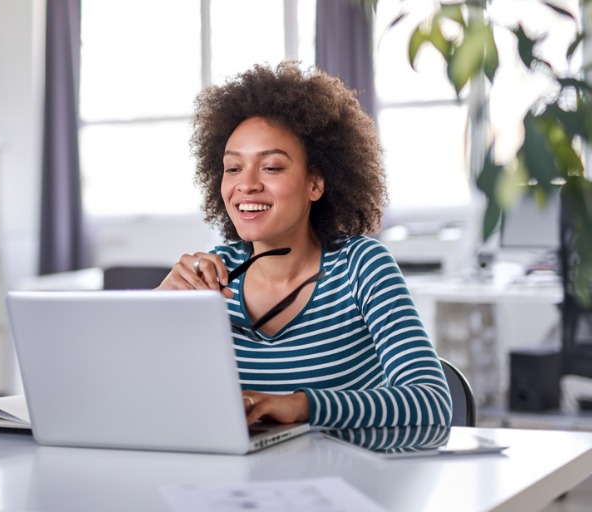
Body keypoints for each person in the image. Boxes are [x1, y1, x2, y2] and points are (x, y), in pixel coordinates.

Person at [157, 61, 451, 429]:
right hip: (238, 482)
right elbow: (143, 399)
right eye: (233, 168)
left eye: (272, 167)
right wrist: (156, 314)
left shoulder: (361, 266)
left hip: (352, 480)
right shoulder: (211, 277)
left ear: (315, 184)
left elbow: (432, 402)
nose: (246, 184)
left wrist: (301, 406)